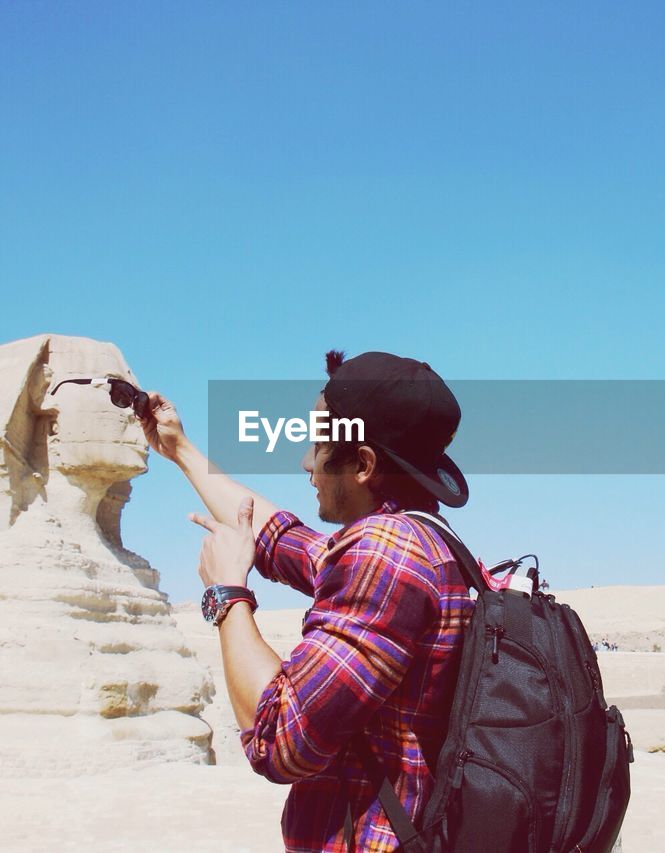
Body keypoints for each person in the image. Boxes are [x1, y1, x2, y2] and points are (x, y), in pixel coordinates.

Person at [140, 350, 475, 852]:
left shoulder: (383, 553)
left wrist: (228, 593)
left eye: (319, 442)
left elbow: (279, 740)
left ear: (362, 463)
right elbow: (280, 539)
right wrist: (181, 449)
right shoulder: (426, 544)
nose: (306, 462)